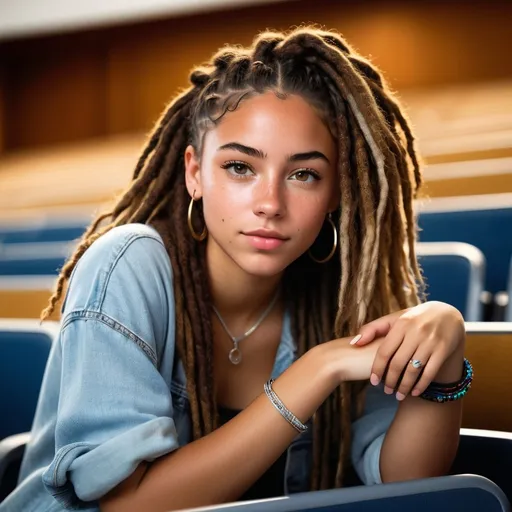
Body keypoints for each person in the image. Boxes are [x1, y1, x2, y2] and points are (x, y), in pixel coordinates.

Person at [1, 27, 471, 512]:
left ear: (335, 193)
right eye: (240, 168)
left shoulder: (341, 299)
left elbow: (408, 479)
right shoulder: (128, 264)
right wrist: (317, 369)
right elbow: (128, 505)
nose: (270, 203)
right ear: (194, 173)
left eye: (303, 174)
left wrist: (448, 350)